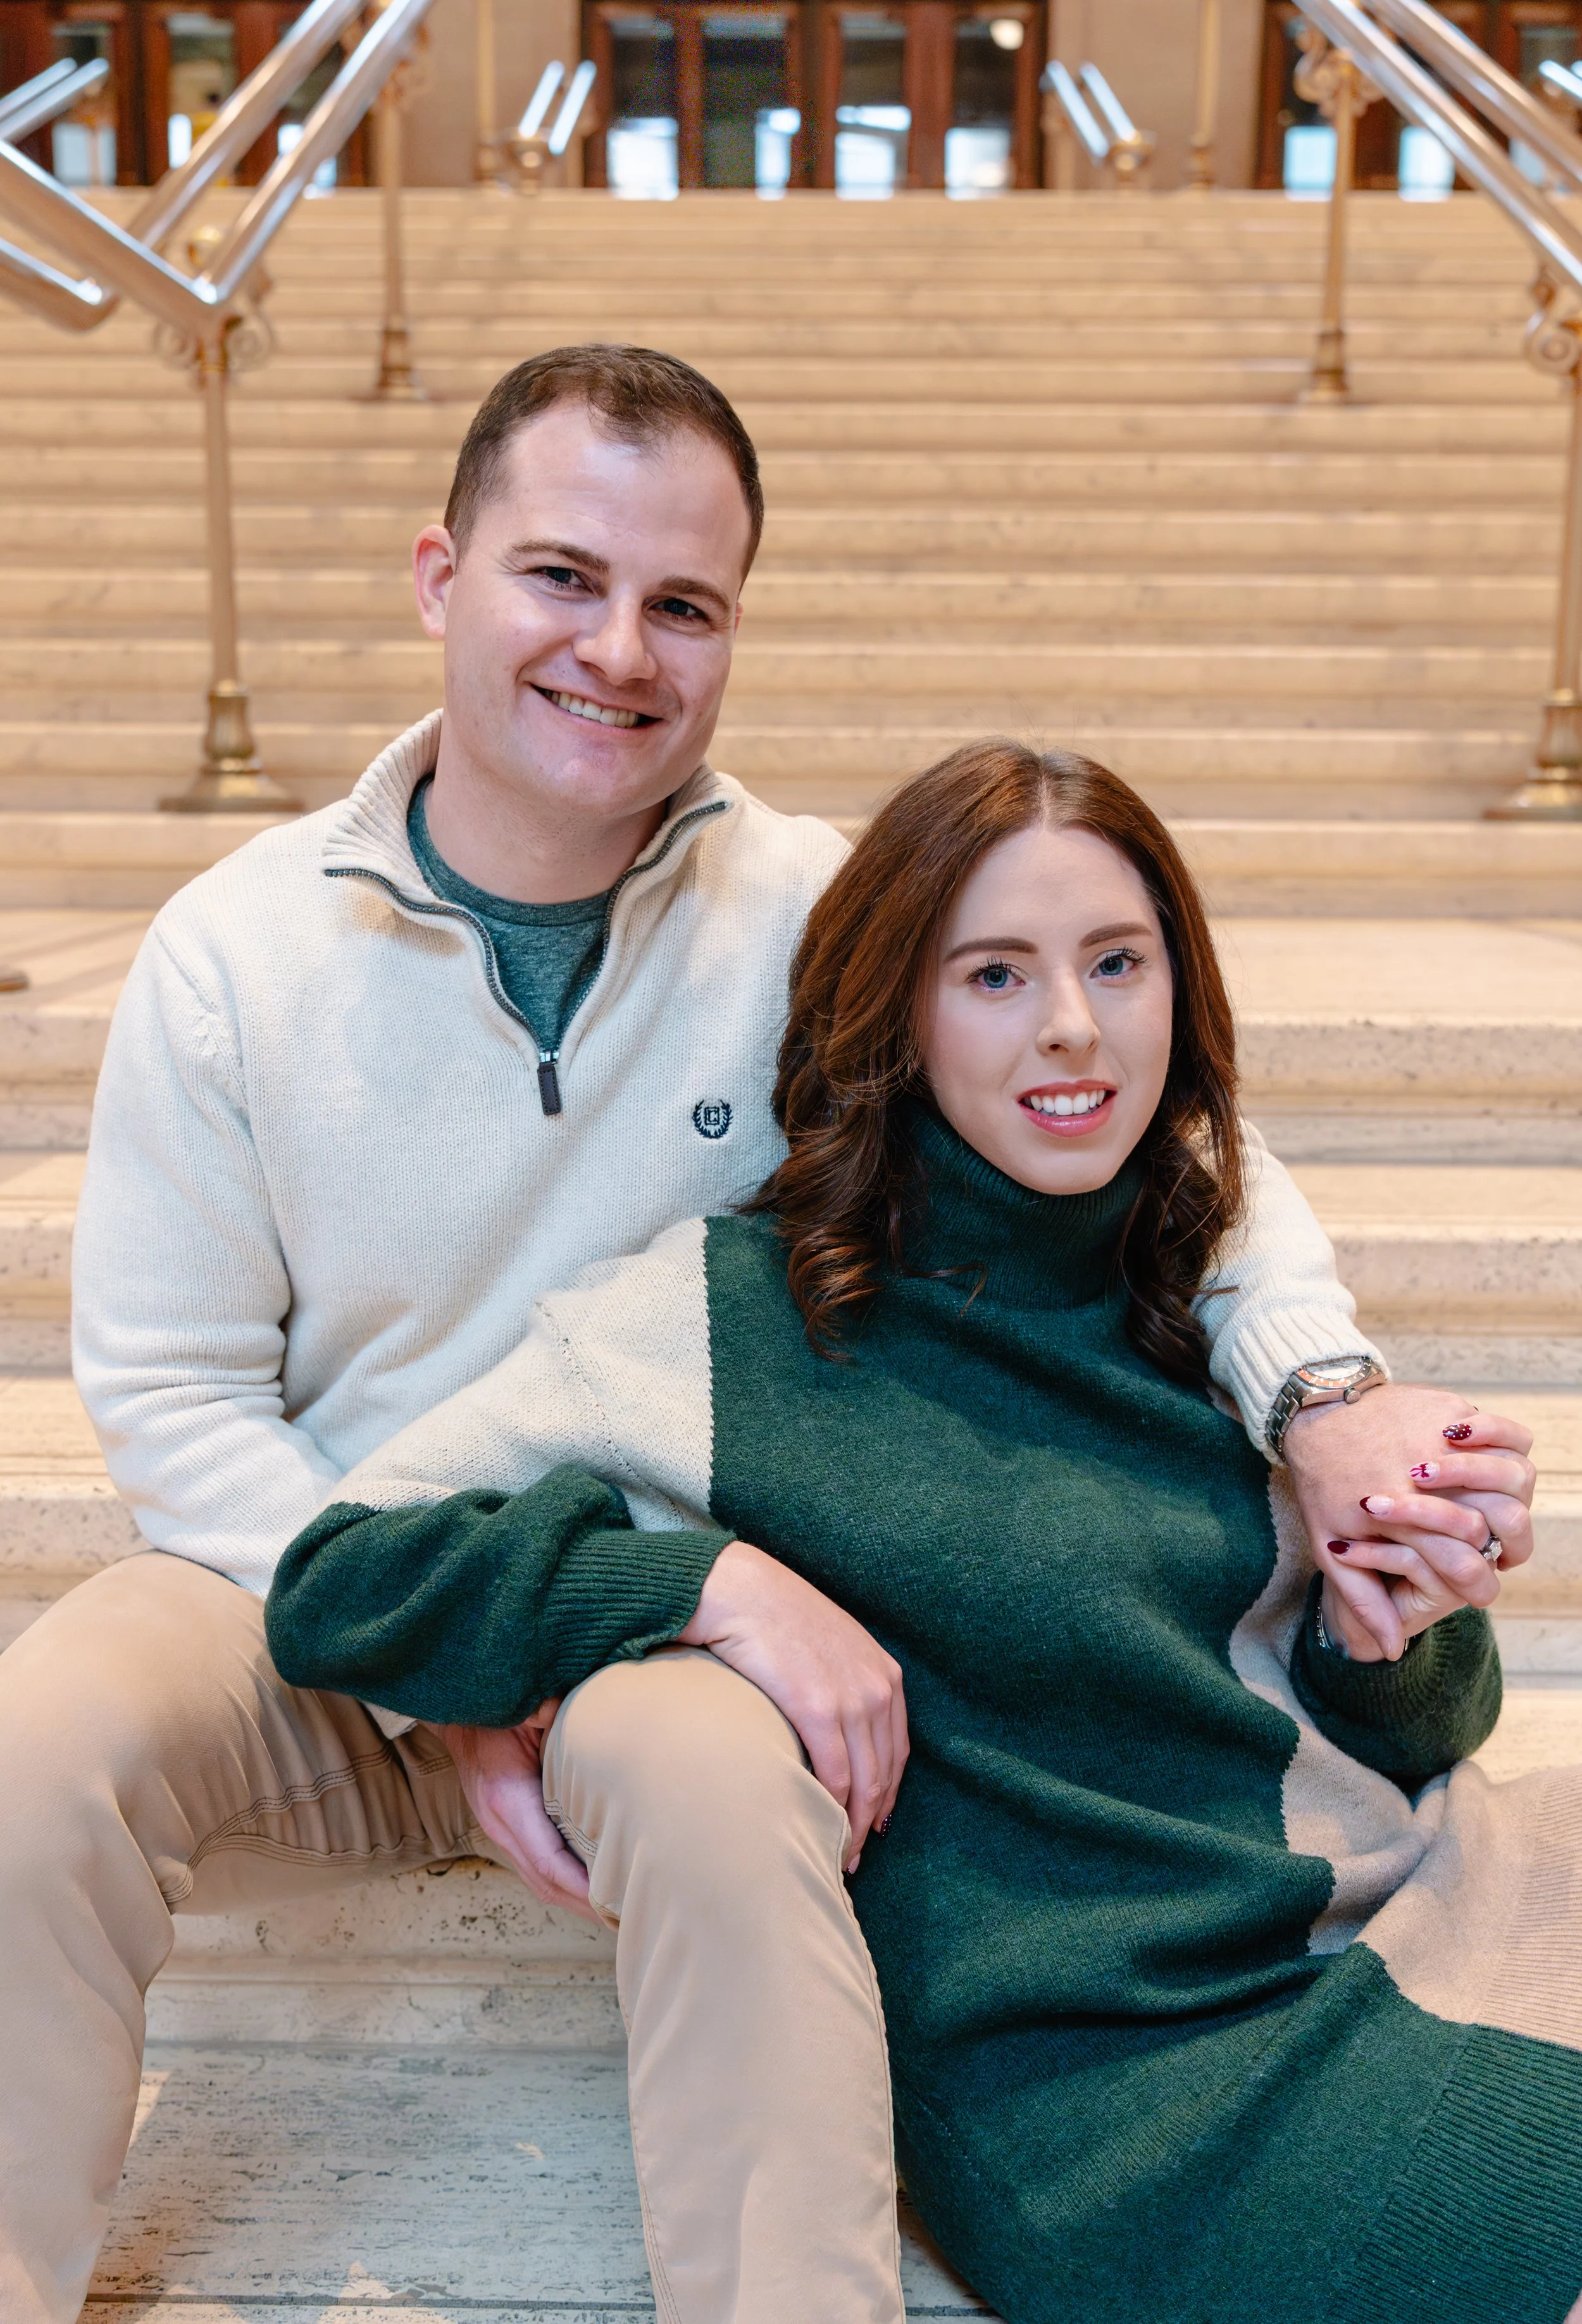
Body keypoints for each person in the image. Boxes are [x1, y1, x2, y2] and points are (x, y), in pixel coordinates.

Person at [0, 346, 1528, 2324]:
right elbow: (172, 1400)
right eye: (561, 576)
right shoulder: (235, 949)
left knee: (727, 1794)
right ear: (437, 576)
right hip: (310, 1553)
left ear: (731, 632)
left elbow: (1176, 1151)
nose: (616, 648)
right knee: (43, 1737)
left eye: (683, 604)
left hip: (676, 1588)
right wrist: (465, 1657)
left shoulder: (806, 906)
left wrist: (1320, 1396)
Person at [268, 740, 1571, 2324]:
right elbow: (341, 1573)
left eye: (1114, 962)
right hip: (1121, 2095)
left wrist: (1389, 1626)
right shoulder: (731, 1324)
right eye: (994, 976)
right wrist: (702, 1582)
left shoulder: (1211, 1282)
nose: (1072, 1027)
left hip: (1406, 1905)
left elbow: (1421, 1730)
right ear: (895, 1012)